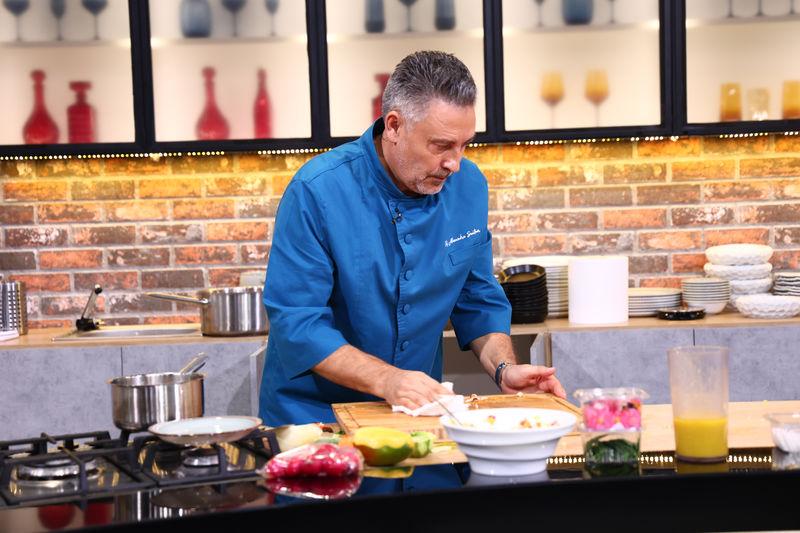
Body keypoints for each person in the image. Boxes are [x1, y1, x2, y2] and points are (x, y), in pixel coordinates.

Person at [259, 50, 565, 426]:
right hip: (314, 418)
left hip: (414, 413)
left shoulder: (469, 186)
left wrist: (504, 368)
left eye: (464, 144)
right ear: (394, 126)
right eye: (441, 145)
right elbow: (298, 322)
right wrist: (388, 380)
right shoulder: (317, 190)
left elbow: (477, 298)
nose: (455, 163)